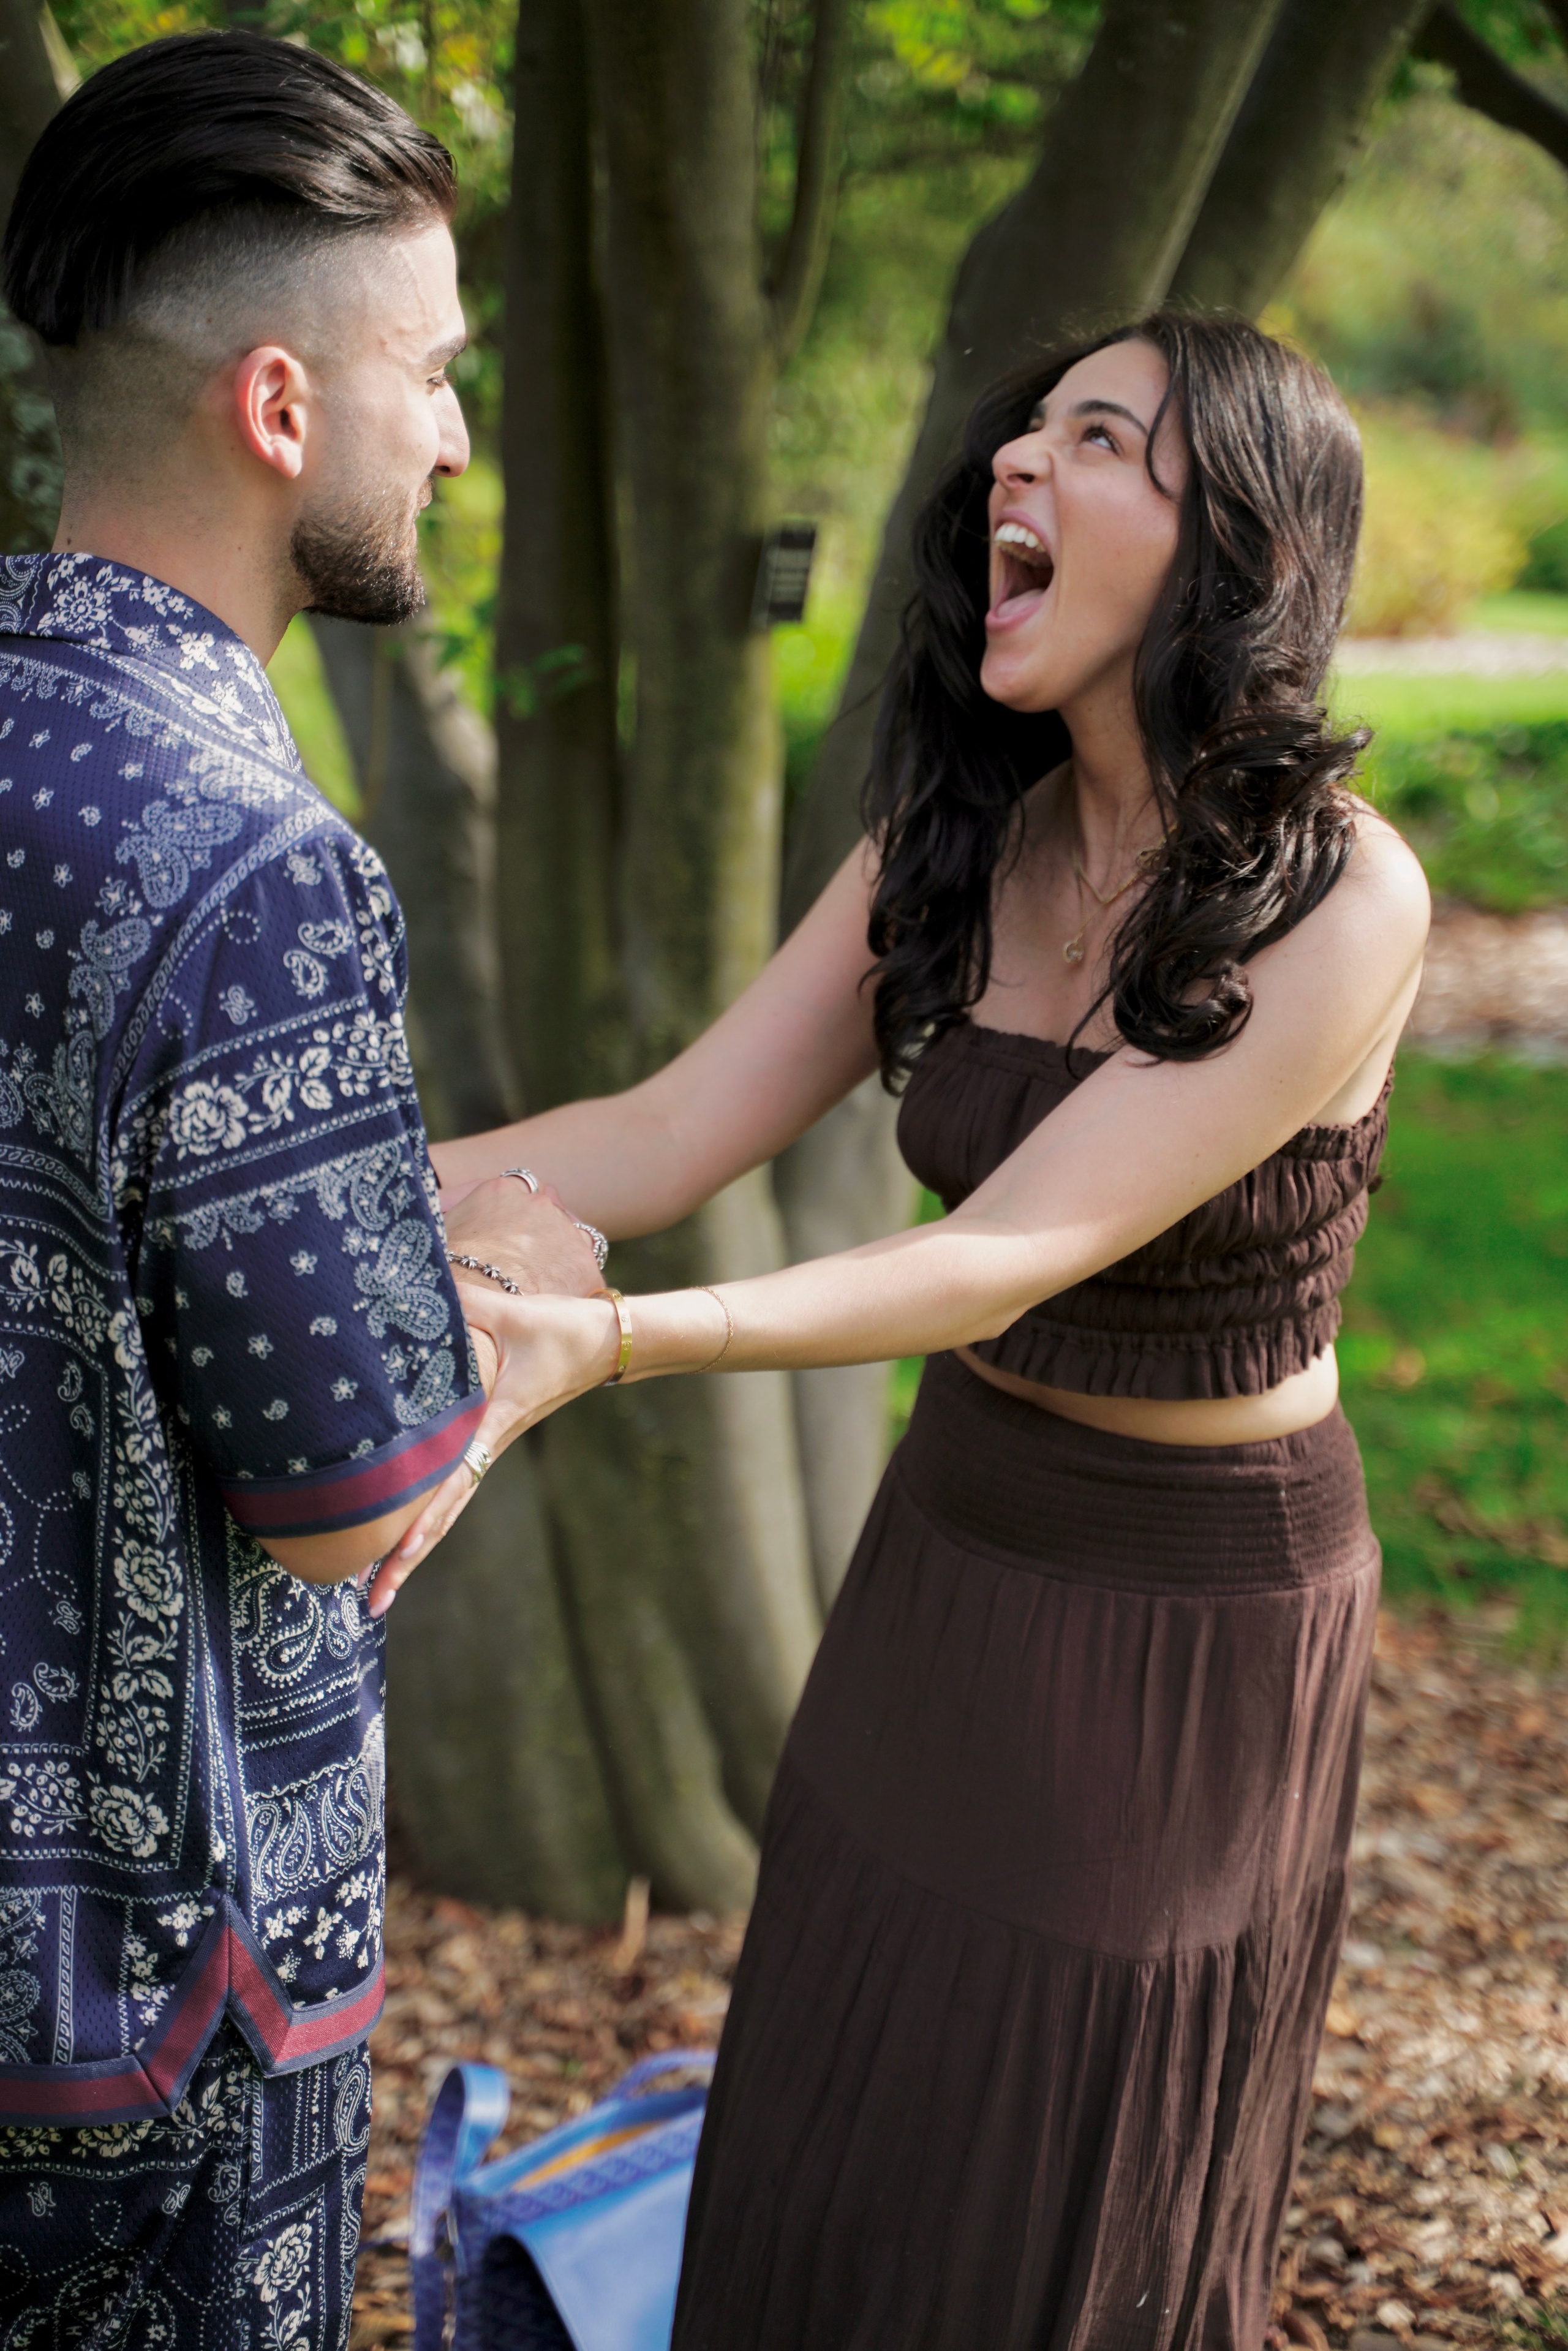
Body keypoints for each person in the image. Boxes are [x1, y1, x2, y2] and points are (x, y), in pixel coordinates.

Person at [379, 314, 1430, 2348]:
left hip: (1182, 1622)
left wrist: (614, 1342)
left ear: (1247, 547)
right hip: (951, 1538)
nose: (1015, 466)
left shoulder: (1341, 900)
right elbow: (667, 1126)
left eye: (1100, 439)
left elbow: (1004, 1253)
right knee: (844, 2095)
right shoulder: (965, 839)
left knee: (1040, 2168)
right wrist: (298, 1174)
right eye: (1024, 433)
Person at [0, 32, 597, 2348]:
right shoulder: (256, 866)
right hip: (139, 2009)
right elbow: (351, 1501)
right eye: (429, 376)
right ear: (279, 406)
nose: (452, 437)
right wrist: (502, 1275)